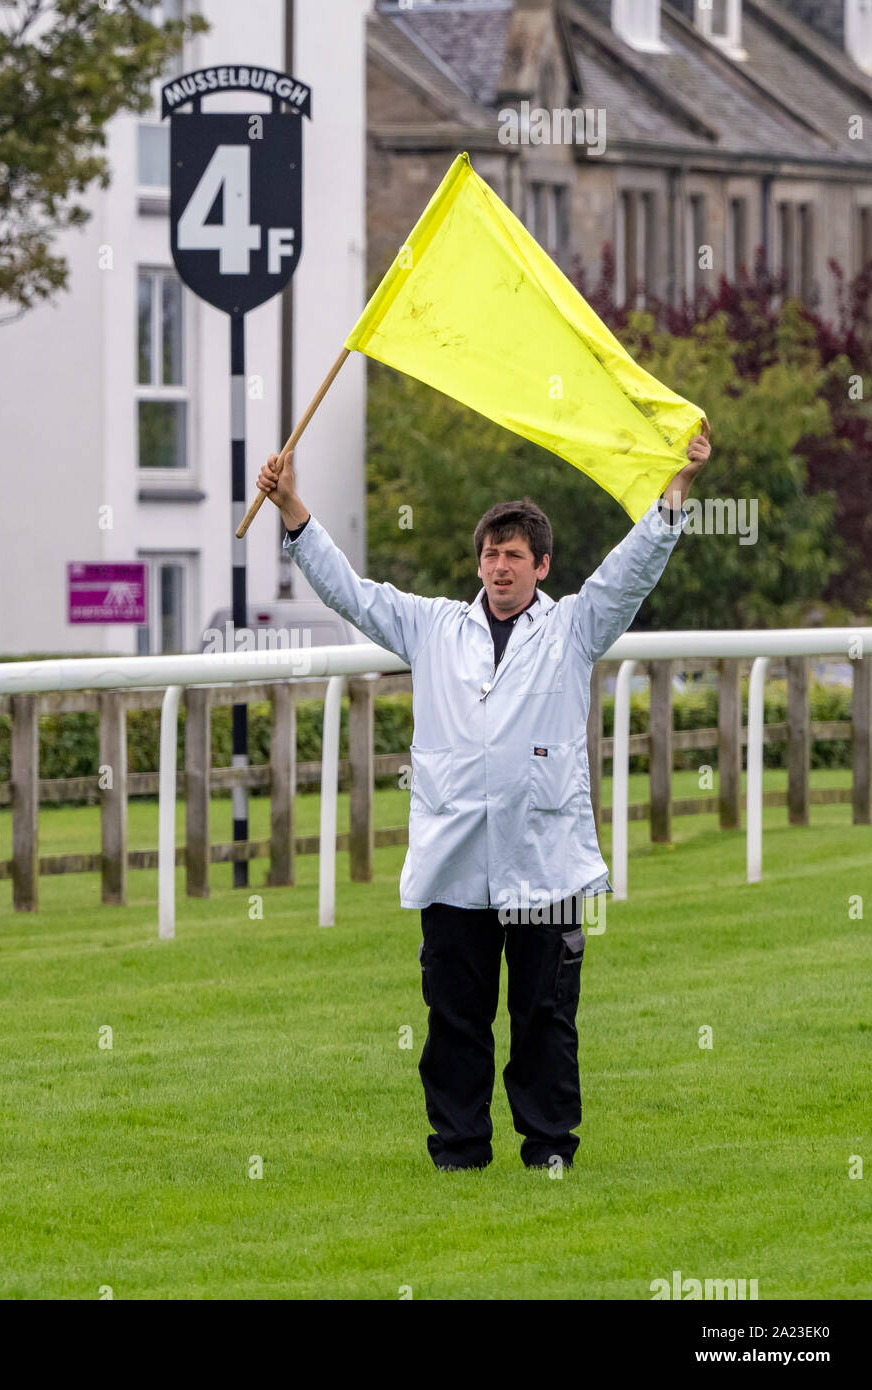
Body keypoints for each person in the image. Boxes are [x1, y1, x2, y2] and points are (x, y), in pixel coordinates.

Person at [254, 421, 712, 1170]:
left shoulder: (574, 627)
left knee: (544, 1019)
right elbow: (352, 594)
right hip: (455, 862)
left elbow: (629, 573)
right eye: (490, 555)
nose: (499, 567)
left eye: (514, 556)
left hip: (549, 864)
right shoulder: (433, 626)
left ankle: (549, 1152)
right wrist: (294, 510)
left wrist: (676, 490)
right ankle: (459, 1153)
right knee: (455, 1022)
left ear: (542, 565)